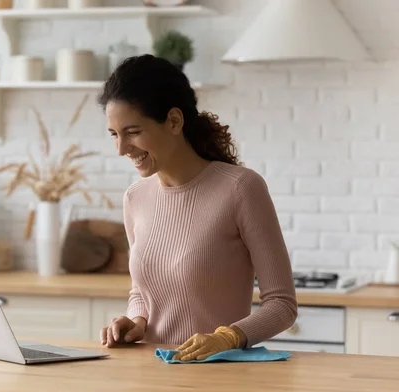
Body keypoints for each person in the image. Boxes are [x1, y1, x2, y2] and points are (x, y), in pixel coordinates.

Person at [97, 54, 297, 361]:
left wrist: (228, 338)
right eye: (115, 135)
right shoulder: (135, 198)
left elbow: (282, 304)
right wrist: (136, 321)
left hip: (218, 379)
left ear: (174, 121)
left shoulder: (241, 188)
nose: (121, 149)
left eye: (133, 132)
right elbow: (141, 291)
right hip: (150, 374)